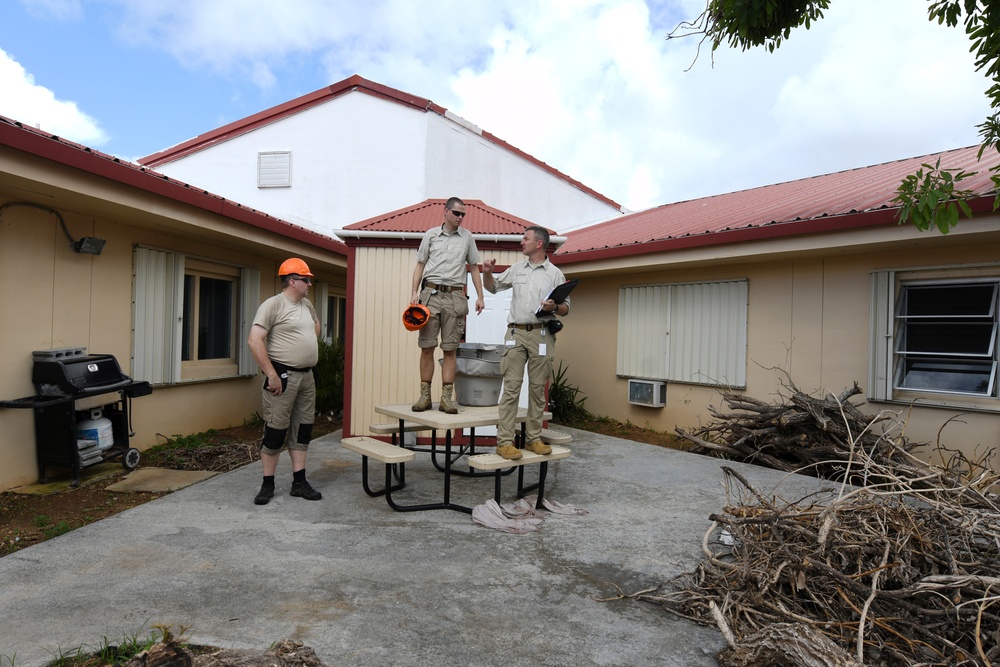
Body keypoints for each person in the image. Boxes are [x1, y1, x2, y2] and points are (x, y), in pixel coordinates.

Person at [483, 226, 569, 460]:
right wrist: (488, 272)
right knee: (511, 389)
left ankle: (532, 439)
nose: (522, 242)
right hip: (516, 335)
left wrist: (554, 307)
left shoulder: (554, 274)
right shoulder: (516, 269)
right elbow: (492, 287)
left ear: (539, 243)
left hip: (542, 335)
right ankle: (504, 443)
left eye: (525, 239)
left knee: (537, 390)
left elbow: (566, 308)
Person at [247, 257, 322, 505]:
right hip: (282, 377)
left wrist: (306, 349)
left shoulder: (307, 306)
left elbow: (316, 328)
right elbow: (254, 340)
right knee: (275, 431)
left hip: (306, 376)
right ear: (292, 281)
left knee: (302, 429)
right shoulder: (273, 305)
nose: (309, 283)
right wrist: (271, 374)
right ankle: (268, 484)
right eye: (306, 279)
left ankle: (299, 482)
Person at [410, 197, 485, 413]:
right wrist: (414, 293)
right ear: (446, 212)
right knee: (427, 347)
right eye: (457, 213)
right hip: (430, 295)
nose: (460, 217)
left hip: (455, 297)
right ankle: (425, 397)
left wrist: (480, 296)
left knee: (450, 349)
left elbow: (474, 267)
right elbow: (420, 265)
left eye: (463, 214)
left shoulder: (467, 238)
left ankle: (446, 399)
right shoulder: (431, 235)